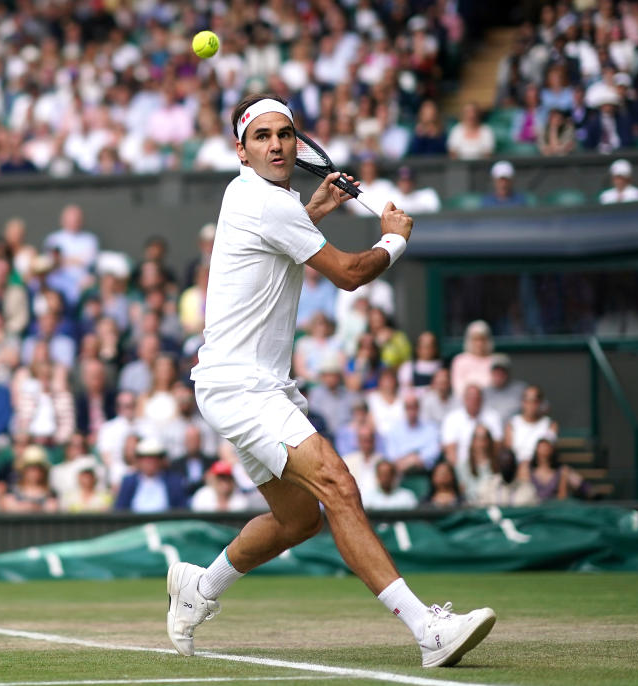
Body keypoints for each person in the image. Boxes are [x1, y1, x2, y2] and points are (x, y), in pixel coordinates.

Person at [171, 94, 495, 667]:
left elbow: (277, 248)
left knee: (298, 521)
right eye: (262, 137)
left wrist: (314, 211)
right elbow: (347, 274)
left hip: (246, 384)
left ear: (297, 144)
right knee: (339, 486)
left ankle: (200, 588)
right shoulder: (265, 201)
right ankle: (429, 631)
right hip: (240, 386)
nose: (276, 145)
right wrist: (394, 238)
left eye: (285, 135)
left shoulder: (263, 200)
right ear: (242, 152)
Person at [114, 437, 187, 512]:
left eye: (154, 458)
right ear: (139, 461)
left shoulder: (174, 482)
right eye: (145, 458)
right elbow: (120, 509)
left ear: (160, 461)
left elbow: (182, 509)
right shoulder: (128, 482)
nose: (149, 462)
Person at [441, 385, 503, 470]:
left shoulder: (492, 416)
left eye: (477, 398)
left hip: (488, 465)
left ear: (482, 399)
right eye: (470, 398)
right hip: (461, 466)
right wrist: (461, 474)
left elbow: (497, 446)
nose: (473, 401)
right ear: (464, 399)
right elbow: (450, 450)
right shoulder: (452, 418)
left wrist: (492, 467)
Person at [383, 392, 441, 474]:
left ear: (418, 408)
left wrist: (416, 459)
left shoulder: (430, 428)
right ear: (404, 409)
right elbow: (391, 455)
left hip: (424, 472)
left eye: (414, 407)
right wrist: (410, 460)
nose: (411, 411)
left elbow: (434, 451)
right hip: (400, 472)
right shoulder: (394, 429)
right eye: (408, 407)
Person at [505, 385, 559, 464]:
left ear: (541, 403)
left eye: (535, 401)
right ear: (522, 402)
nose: (531, 405)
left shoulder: (550, 425)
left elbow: (547, 452)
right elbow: (509, 452)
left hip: (538, 469)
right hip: (515, 469)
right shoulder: (512, 424)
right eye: (527, 401)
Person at [450, 320, 495, 396]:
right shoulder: (460, 361)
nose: (479, 343)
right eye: (476, 339)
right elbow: (458, 389)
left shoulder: (494, 361)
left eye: (482, 339)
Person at [483, 354, 528, 426]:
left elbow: (542, 406)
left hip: (516, 429)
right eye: (496, 371)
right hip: (490, 433)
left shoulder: (521, 389)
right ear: (491, 372)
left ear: (508, 372)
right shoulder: (484, 392)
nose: (499, 374)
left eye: (502, 371)